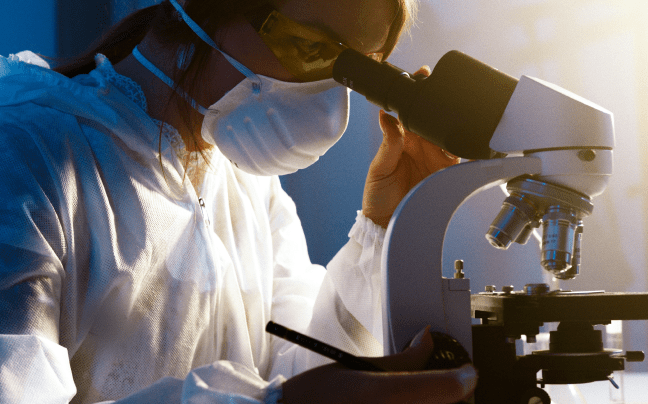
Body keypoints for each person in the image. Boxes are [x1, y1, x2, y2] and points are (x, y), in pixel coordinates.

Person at [0, 0, 476, 402]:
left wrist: (380, 226)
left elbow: (307, 372)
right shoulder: (25, 155)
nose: (332, 102)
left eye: (357, 72)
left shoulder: (246, 182)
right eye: (311, 48)